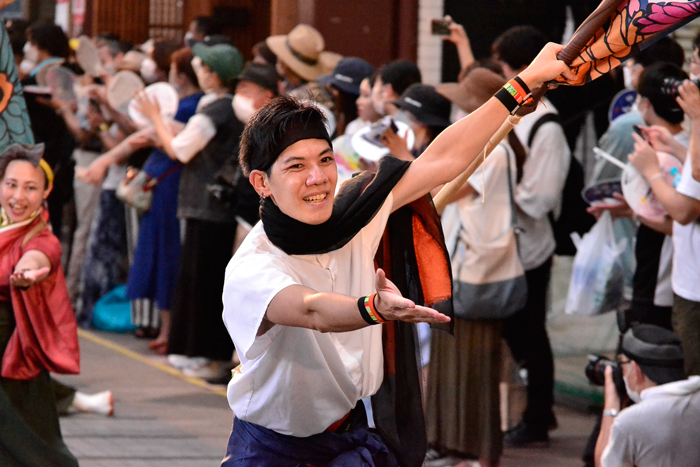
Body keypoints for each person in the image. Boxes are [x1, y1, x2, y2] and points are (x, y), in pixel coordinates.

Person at [221, 42, 573, 465]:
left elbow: (443, 158)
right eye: (295, 166)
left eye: (325, 159)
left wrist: (524, 82)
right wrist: (373, 308)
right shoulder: (253, 264)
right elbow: (310, 310)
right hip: (272, 450)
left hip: (348, 436)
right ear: (261, 182)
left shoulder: (355, 210)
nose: (318, 178)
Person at [426, 67, 520, 467]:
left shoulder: (493, 151)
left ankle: (477, 451)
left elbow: (438, 188)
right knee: (456, 361)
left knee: (476, 366)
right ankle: (453, 445)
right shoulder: (490, 146)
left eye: (466, 107)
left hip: (476, 272)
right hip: (465, 269)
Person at [138, 42, 244, 377]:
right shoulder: (220, 107)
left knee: (204, 281)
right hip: (210, 206)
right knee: (198, 278)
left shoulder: (218, 110)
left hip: (209, 207)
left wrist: (156, 118)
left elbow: (180, 151)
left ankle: (201, 354)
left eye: (203, 67)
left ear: (213, 74)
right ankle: (191, 352)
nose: (198, 72)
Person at [492, 25, 571, 447]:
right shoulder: (517, 115)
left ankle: (540, 417)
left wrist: (495, 193)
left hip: (530, 249)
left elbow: (538, 200)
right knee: (516, 335)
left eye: (505, 67)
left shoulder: (546, 127)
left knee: (531, 335)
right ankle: (530, 413)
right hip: (506, 246)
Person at [0, 143, 80, 466]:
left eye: (30, 188)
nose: (18, 196)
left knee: (32, 445)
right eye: (11, 184)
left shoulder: (41, 238)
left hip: (11, 349)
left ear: (46, 191)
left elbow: (37, 258)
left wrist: (27, 272)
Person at [125, 47, 203, 353]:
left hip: (170, 185)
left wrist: (155, 126)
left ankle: (169, 329)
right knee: (157, 254)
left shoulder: (192, 106)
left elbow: (175, 146)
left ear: (181, 76)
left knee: (168, 254)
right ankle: (164, 326)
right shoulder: (184, 103)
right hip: (161, 184)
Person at [627, 79, 700, 377]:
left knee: (691, 384)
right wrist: (675, 149)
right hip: (688, 279)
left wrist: (651, 172)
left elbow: (684, 210)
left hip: (695, 286)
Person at [594, 324, 700, 467]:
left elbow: (603, 463)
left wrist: (611, 404)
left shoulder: (632, 421)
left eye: (622, 365)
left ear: (637, 371)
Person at [318, 57, 375, 136]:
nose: (335, 94)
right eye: (333, 88)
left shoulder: (368, 130)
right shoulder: (329, 116)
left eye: (340, 91)